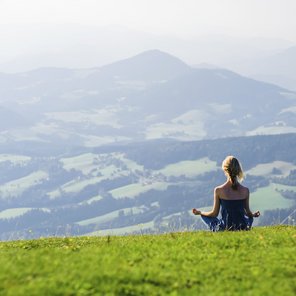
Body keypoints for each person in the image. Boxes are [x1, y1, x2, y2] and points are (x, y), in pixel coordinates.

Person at [192, 156, 260, 231]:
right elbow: (248, 213)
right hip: (242, 227)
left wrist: (200, 212)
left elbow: (214, 214)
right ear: (239, 170)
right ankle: (246, 227)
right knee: (249, 218)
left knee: (204, 215)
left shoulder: (218, 190)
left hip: (225, 228)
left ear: (225, 170)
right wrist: (253, 215)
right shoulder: (245, 190)